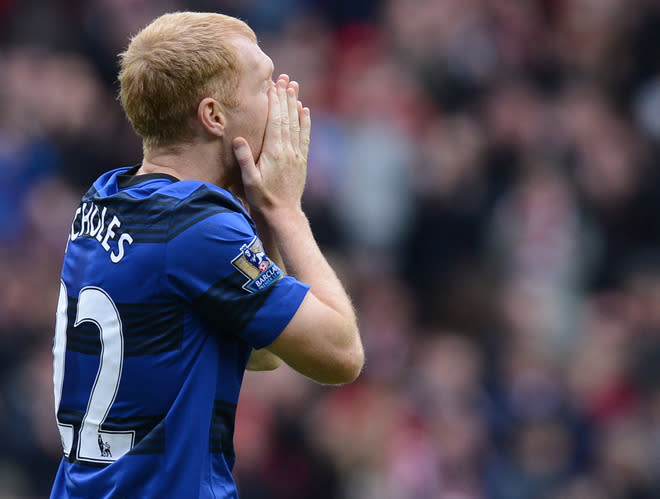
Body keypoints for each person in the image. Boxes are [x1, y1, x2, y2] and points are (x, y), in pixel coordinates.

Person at [50, 11, 364, 498]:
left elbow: (260, 351)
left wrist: (259, 213)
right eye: (266, 86)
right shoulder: (196, 228)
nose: (284, 100)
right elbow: (341, 355)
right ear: (214, 116)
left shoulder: (103, 199)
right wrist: (286, 210)